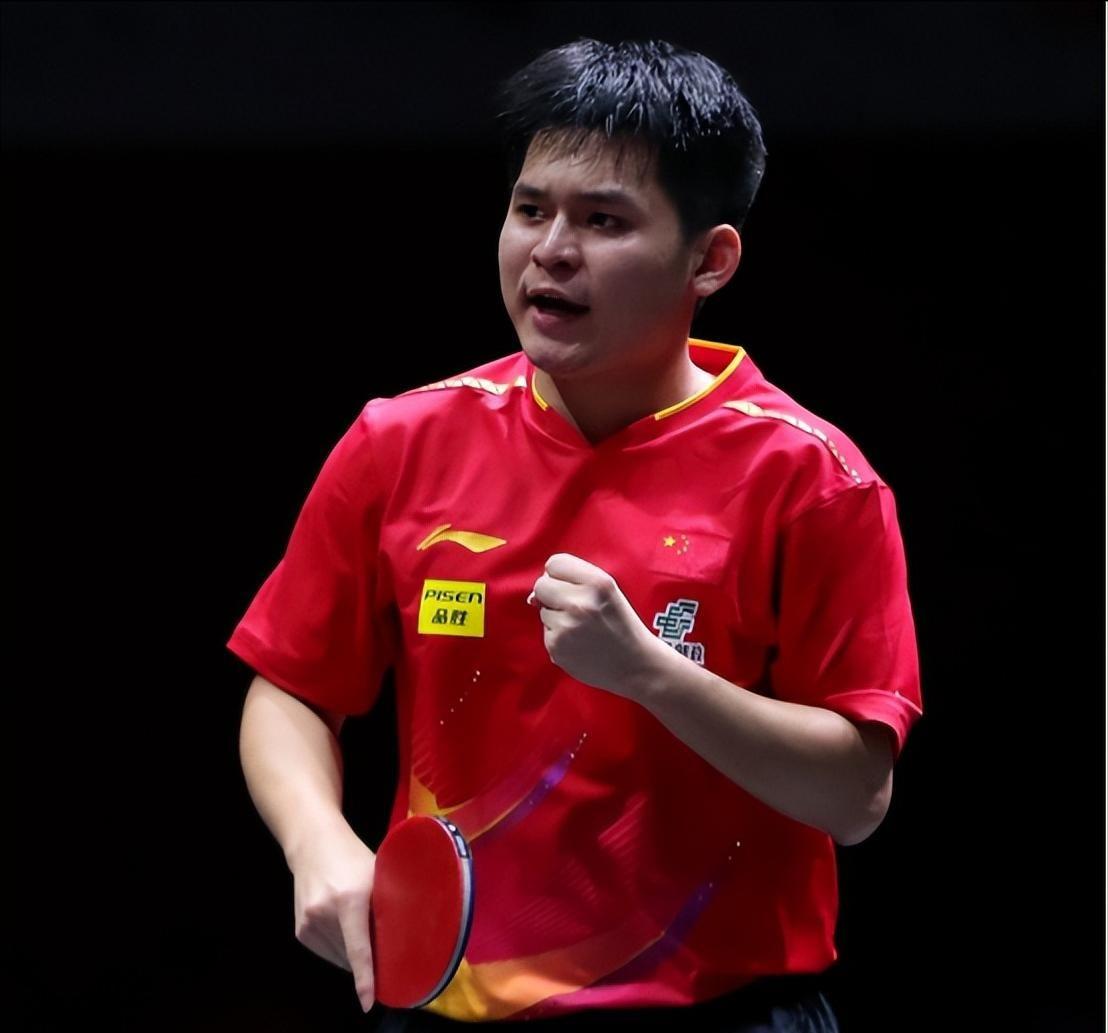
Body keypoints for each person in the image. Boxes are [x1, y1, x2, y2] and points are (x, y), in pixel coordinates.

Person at [229, 38, 922, 1032]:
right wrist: (317, 841)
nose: (551, 249)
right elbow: (292, 686)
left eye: (604, 220)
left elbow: (854, 796)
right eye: (530, 209)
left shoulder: (812, 480)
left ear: (710, 260)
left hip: (723, 1012)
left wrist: (649, 672)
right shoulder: (400, 441)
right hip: (445, 1004)